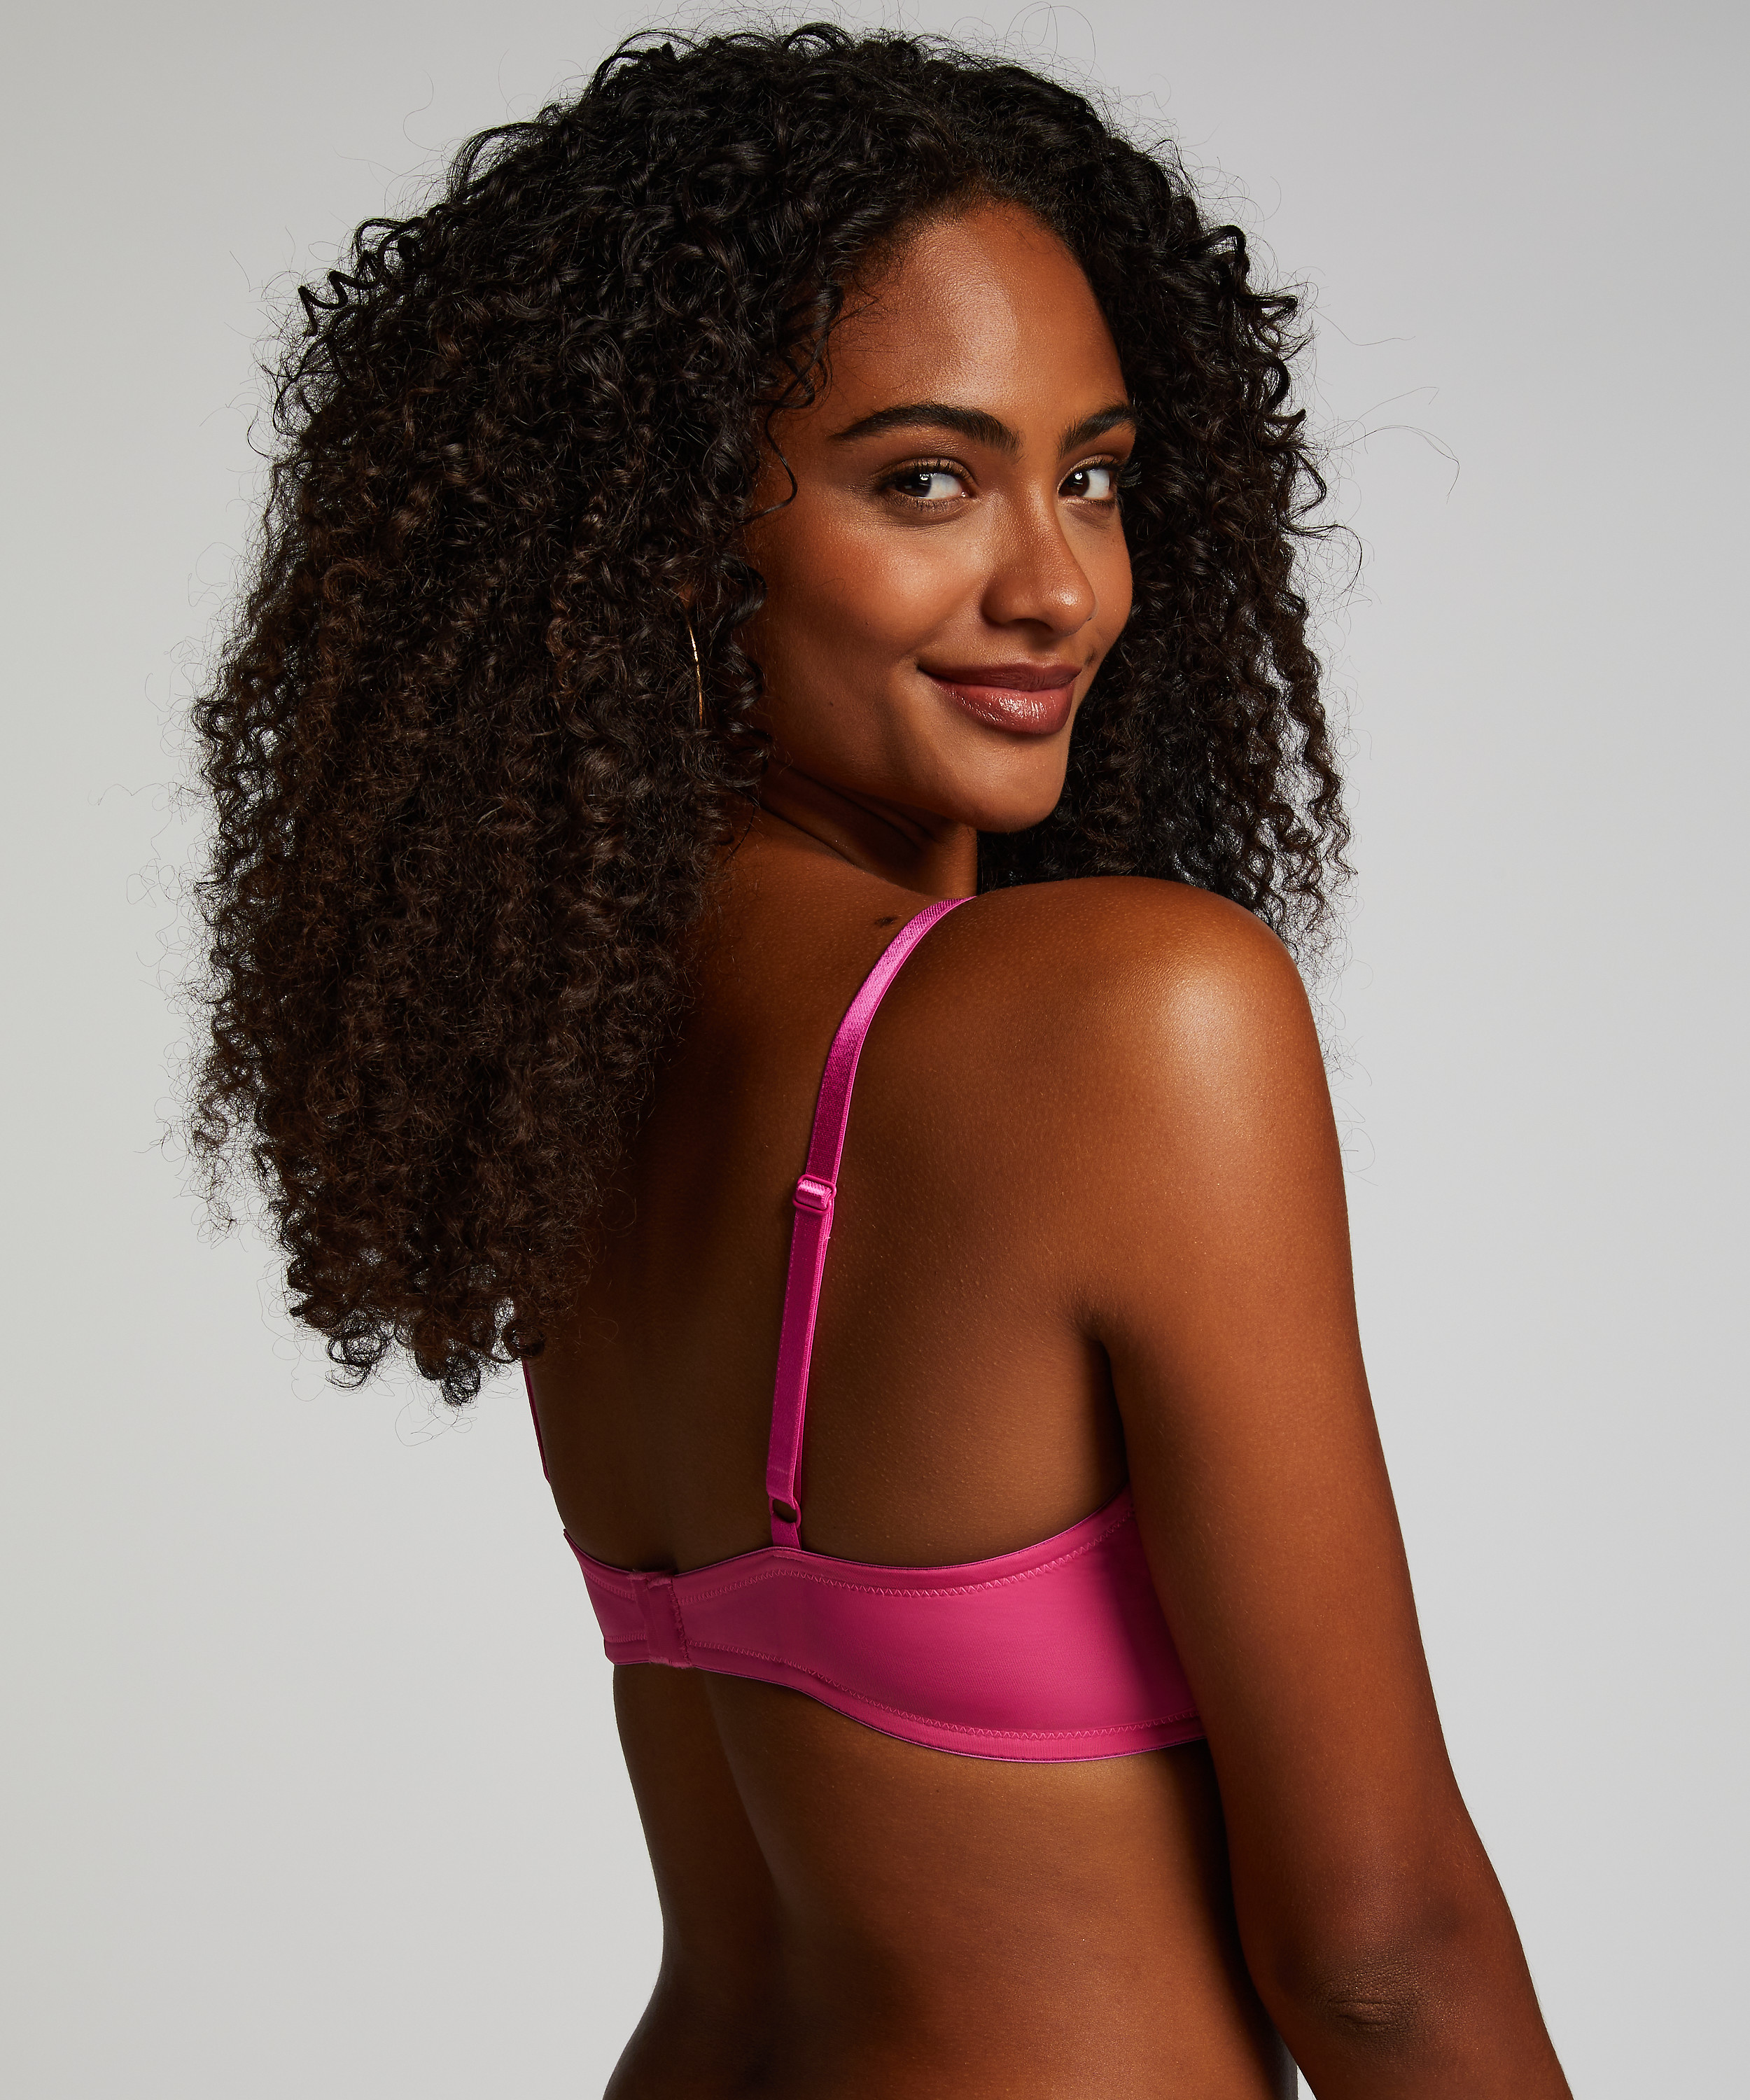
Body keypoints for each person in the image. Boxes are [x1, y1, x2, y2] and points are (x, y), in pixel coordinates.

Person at [191, 24, 1572, 2097]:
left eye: (1090, 474)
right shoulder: (1126, 1016)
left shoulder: (579, 1068)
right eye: (924, 479)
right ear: (670, 535)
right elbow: (1380, 1955)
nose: (1056, 586)